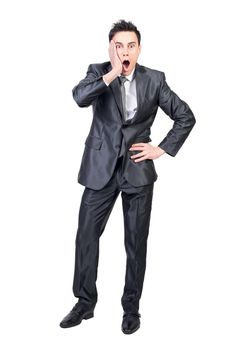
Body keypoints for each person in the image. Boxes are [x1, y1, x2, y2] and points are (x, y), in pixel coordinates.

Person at [60, 20, 196, 334]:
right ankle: (84, 302)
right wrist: (110, 73)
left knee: (135, 243)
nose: (124, 51)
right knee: (86, 237)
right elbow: (80, 98)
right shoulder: (97, 72)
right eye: (118, 45)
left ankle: (131, 309)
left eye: (130, 45)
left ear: (139, 49)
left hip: (137, 170)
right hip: (100, 170)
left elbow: (185, 116)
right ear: (110, 48)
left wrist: (160, 148)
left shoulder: (154, 79)